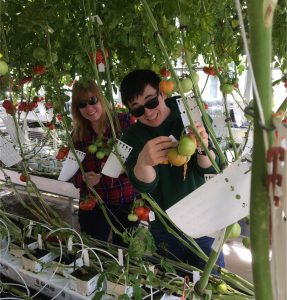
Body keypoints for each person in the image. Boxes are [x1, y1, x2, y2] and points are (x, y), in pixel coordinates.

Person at [120, 69, 224, 270]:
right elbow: (144, 184)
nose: (148, 113)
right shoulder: (132, 137)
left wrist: (203, 147)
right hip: (165, 227)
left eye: (151, 102)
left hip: (203, 222)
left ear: (163, 93)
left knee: (210, 283)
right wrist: (143, 162)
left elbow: (210, 171)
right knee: (171, 284)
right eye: (138, 110)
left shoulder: (191, 114)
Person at [70, 78, 139, 245]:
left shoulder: (124, 123)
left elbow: (140, 160)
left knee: (126, 250)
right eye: (82, 104)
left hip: (126, 200)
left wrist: (122, 169)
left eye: (92, 100)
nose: (89, 108)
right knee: (93, 249)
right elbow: (71, 173)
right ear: (77, 109)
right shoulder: (77, 136)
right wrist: (83, 179)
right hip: (93, 204)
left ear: (101, 99)